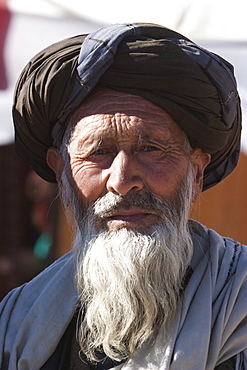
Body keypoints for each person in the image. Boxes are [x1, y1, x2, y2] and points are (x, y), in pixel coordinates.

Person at [0, 23, 246, 370]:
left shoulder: (238, 303)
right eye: (98, 152)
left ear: (196, 173)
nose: (122, 180)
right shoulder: (16, 323)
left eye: (150, 148)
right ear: (61, 173)